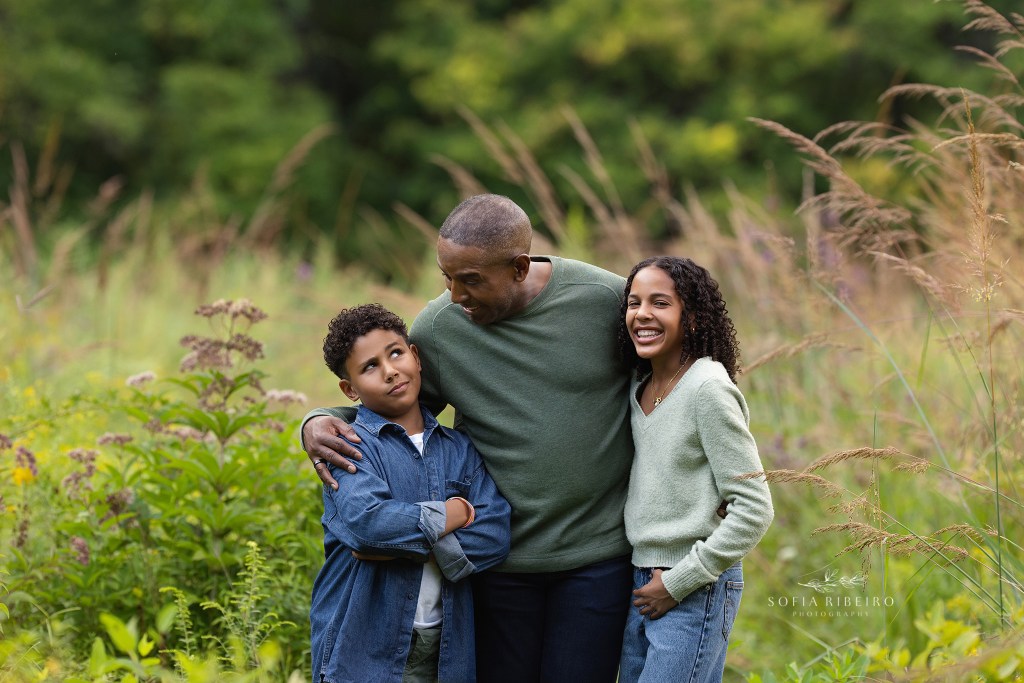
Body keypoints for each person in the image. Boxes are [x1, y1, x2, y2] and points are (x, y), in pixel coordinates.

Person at [302, 194, 635, 682]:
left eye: (472, 280)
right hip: (497, 569)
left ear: (519, 268)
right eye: (447, 277)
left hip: (595, 559)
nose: (456, 294)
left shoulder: (605, 301)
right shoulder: (439, 329)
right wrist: (315, 420)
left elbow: (673, 379)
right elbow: (396, 408)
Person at [309, 303, 511, 683]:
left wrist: (399, 545)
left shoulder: (459, 448)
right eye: (370, 367)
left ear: (415, 357)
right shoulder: (346, 447)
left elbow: (495, 534)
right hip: (364, 645)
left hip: (446, 644)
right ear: (349, 389)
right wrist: (453, 515)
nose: (390, 371)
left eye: (396, 353)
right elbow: (370, 525)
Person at [616, 256, 774, 683]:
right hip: (641, 579)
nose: (642, 314)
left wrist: (680, 581)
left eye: (660, 303)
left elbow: (755, 507)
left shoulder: (707, 388)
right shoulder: (639, 387)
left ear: (694, 317)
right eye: (634, 302)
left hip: (693, 584)